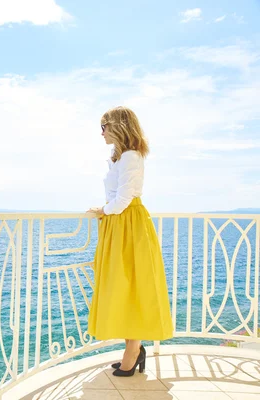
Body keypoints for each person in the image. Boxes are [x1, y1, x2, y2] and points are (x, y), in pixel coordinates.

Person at [86, 106, 173, 377]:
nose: (101, 132)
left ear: (118, 126)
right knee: (122, 285)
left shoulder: (131, 157)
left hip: (127, 223)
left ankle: (133, 349)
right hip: (120, 223)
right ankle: (133, 347)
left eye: (104, 126)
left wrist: (104, 210)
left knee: (132, 284)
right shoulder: (121, 157)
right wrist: (107, 211)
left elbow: (123, 199)